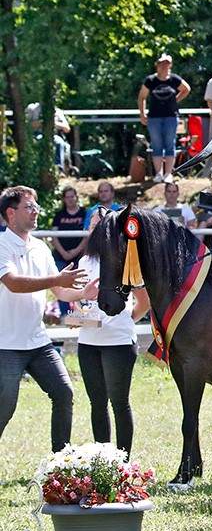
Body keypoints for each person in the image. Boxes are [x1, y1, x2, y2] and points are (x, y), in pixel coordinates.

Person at [0, 186, 90, 451]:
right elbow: (14, 283)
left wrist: (86, 292)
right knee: (5, 407)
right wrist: (57, 279)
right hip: (6, 345)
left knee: (64, 393)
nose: (35, 211)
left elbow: (60, 290)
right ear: (11, 213)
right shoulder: (1, 244)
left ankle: (58, 462)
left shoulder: (40, 246)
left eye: (36, 205)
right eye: (28, 206)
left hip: (38, 342)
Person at [62, 209, 149, 456]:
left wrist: (126, 321)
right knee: (96, 404)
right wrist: (79, 318)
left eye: (98, 224)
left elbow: (144, 301)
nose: (93, 229)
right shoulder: (84, 261)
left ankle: (122, 462)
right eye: (90, 224)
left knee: (119, 404)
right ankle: (103, 456)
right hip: (88, 343)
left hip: (118, 343)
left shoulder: (126, 259)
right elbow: (80, 304)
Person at [137, 53, 191, 183]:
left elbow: (186, 89)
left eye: (167, 63)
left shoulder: (174, 79)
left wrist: (175, 100)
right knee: (156, 145)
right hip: (154, 117)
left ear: (170, 65)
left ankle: (168, 173)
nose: (164, 66)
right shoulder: (150, 80)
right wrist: (142, 113)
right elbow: (142, 97)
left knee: (170, 144)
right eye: (162, 63)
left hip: (171, 117)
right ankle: (158, 173)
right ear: (157, 65)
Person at [51, 186, 86, 316]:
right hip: (61, 257)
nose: (70, 199)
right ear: (64, 199)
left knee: (81, 285)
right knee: (60, 285)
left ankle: (81, 314)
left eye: (72, 196)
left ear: (76, 197)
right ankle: (65, 315)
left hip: (79, 257)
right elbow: (53, 236)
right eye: (67, 197)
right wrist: (64, 253)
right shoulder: (59, 215)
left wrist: (76, 251)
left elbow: (87, 236)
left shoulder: (83, 213)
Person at [26, 102, 72, 175]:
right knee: (41, 140)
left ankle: (59, 169)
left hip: (54, 135)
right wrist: (42, 123)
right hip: (38, 134)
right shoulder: (33, 109)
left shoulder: (58, 112)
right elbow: (27, 125)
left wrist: (55, 124)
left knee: (59, 142)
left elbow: (67, 129)